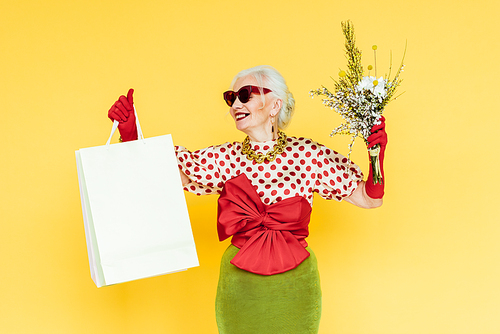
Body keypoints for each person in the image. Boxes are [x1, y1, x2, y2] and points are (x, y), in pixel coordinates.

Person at [107, 65, 387, 334]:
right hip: (240, 286)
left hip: (296, 284)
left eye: (245, 95)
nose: (235, 105)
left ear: (275, 105)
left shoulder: (309, 154)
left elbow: (369, 199)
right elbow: (166, 177)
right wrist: (130, 135)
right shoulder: (224, 158)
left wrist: (377, 156)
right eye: (231, 98)